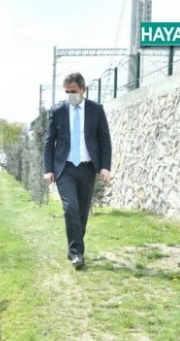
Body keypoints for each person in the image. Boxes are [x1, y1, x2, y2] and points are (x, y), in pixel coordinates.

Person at [43, 72, 112, 271]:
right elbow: (49, 142)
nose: (70, 95)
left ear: (83, 90)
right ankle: (76, 254)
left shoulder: (96, 110)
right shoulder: (57, 111)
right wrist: (48, 169)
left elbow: (104, 140)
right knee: (70, 207)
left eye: (74, 92)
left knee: (81, 211)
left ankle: (74, 246)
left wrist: (105, 166)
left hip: (88, 167)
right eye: (67, 92)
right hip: (64, 168)